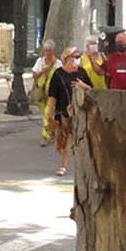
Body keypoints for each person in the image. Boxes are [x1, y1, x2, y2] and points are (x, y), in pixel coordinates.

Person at [46, 47, 96, 176]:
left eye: (79, 56)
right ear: (67, 58)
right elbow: (52, 96)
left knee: (73, 139)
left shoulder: (82, 73)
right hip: (63, 112)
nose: (78, 59)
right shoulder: (58, 74)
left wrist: (84, 86)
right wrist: (50, 116)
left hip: (80, 110)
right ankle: (65, 162)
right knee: (63, 140)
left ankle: (64, 165)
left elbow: (92, 90)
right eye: (75, 56)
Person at [31, 41, 62, 146]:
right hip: (41, 92)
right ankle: (51, 133)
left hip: (53, 93)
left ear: (53, 51)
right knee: (45, 114)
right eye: (45, 50)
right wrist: (42, 71)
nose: (47, 53)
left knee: (48, 113)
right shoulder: (40, 61)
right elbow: (34, 76)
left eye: (49, 50)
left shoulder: (58, 63)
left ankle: (46, 136)